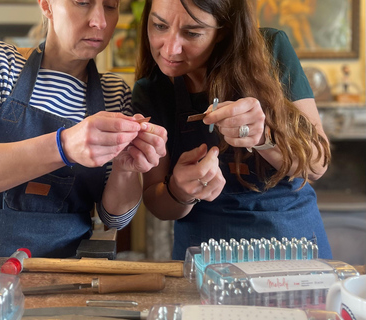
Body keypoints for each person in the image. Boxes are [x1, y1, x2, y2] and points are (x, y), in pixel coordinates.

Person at [0, 0, 167, 257]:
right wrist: (63, 146)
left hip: (64, 278)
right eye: (83, 2)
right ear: (46, 5)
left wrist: (125, 168)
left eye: (110, 6)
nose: (99, 21)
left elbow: (115, 219)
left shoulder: (114, 94)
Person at [132, 0, 332, 260]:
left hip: (289, 245)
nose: (170, 48)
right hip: (204, 254)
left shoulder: (270, 50)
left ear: (223, 30)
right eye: (159, 25)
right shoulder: (151, 91)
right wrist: (179, 190)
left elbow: (317, 165)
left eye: (192, 33)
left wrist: (263, 138)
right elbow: (157, 204)